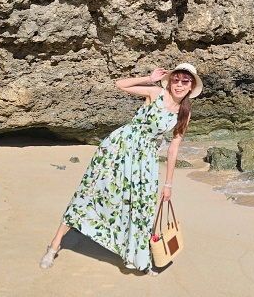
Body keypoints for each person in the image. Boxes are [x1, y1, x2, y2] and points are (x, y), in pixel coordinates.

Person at [39, 63, 204, 274]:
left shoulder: (184, 112)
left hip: (146, 160)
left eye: (185, 81)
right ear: (170, 80)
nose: (179, 84)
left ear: (191, 87)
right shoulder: (155, 92)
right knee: (89, 193)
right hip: (119, 148)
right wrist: (149, 78)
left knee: (142, 207)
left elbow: (173, 148)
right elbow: (120, 84)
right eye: (176, 79)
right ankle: (54, 246)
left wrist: (168, 184)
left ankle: (139, 258)